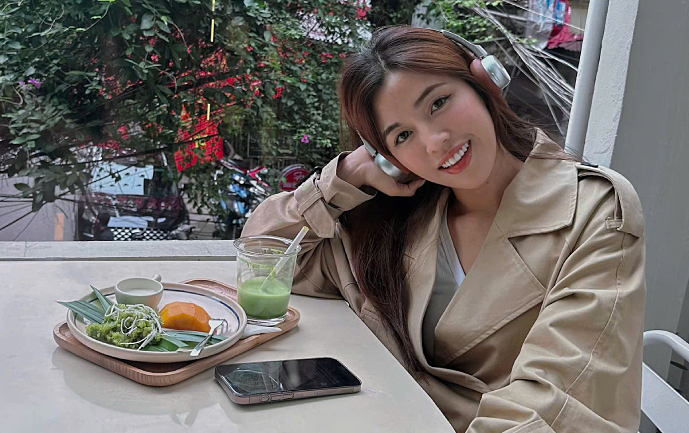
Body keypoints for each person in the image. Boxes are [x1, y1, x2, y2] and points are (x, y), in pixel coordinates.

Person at [243, 26, 645, 433]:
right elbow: (264, 255)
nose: (435, 142)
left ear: (484, 79)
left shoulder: (593, 211)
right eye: (403, 135)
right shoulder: (390, 220)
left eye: (438, 102)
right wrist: (344, 175)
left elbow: (555, 405)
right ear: (388, 159)